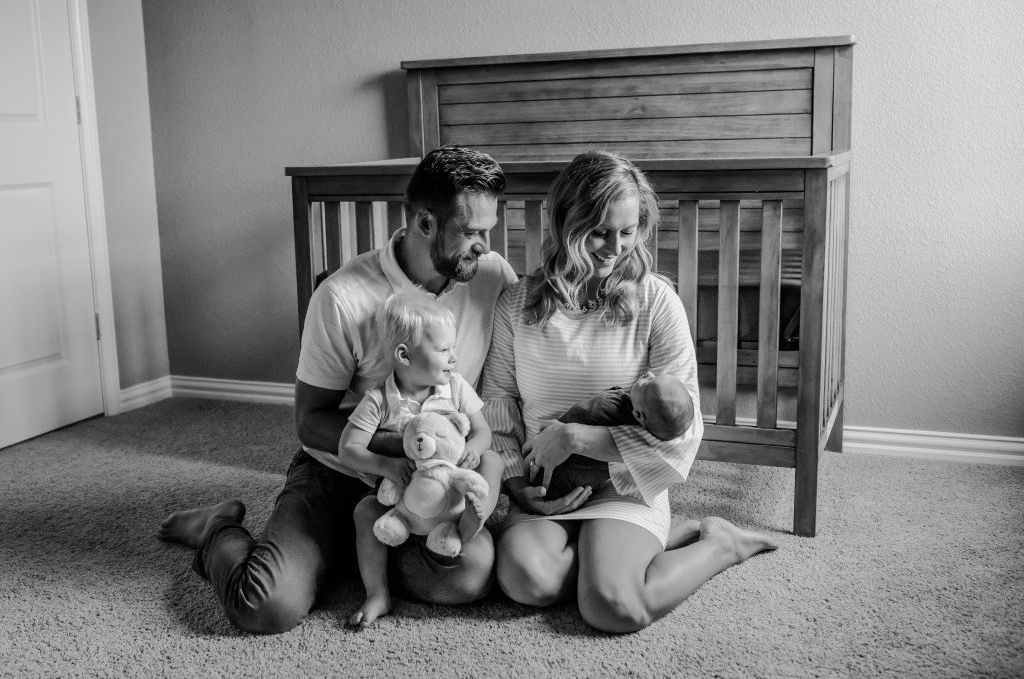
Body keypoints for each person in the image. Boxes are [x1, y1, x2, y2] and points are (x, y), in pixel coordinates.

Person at [158, 145, 517, 634]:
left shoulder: (491, 276)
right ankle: (217, 528)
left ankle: (351, 551)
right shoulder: (342, 296)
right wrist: (405, 449)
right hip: (341, 469)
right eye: (471, 231)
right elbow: (310, 422)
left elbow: (506, 388)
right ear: (425, 222)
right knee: (266, 606)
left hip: (432, 481)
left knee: (469, 579)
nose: (484, 245)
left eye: (489, 230)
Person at [481, 150, 778, 634]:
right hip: (544, 486)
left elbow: (683, 430)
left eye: (628, 231)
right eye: (599, 232)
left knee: (613, 608)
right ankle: (612, 557)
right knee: (526, 581)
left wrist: (575, 438)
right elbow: (497, 406)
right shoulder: (516, 303)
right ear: (565, 223)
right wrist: (518, 486)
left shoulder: (656, 301)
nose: (614, 248)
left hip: (624, 484)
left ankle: (720, 544)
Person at [338, 291, 491, 628]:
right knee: (364, 512)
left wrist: (475, 448)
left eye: (453, 348)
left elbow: (483, 431)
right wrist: (386, 465)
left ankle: (470, 526)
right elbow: (347, 448)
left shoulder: (455, 387)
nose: (454, 357)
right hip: (401, 497)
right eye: (444, 350)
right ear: (404, 355)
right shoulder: (379, 400)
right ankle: (378, 593)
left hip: (449, 492)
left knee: (492, 461)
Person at [535, 371, 695, 500]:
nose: (649, 373)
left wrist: (568, 432)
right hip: (556, 477)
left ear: (638, 415)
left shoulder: (612, 408)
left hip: (555, 485)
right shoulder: (622, 411)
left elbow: (677, 447)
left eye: (647, 383)